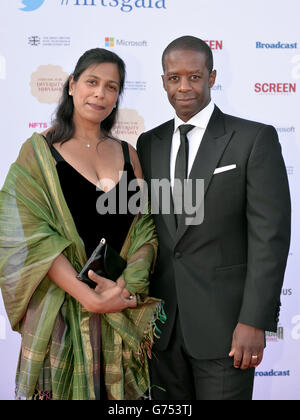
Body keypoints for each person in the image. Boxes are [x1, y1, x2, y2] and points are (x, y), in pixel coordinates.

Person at [0, 48, 164, 400]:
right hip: (61, 317)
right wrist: (88, 298)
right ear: (72, 85)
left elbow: (144, 230)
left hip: (120, 312)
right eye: (92, 82)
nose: (100, 94)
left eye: (111, 86)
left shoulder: (126, 152)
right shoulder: (40, 153)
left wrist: (123, 289)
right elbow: (29, 236)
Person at [136, 36, 291, 400]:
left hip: (227, 331)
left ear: (212, 76)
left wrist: (254, 320)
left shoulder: (253, 138)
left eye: (194, 76)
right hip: (162, 330)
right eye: (174, 78)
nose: (184, 87)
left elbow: (269, 237)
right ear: (163, 82)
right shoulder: (149, 143)